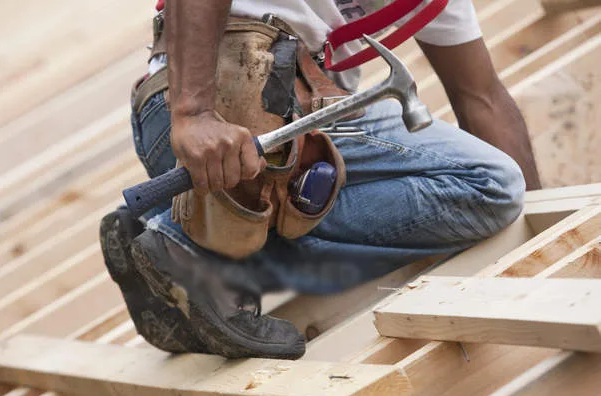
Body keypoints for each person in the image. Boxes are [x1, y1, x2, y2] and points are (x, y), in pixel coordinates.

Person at [100, 0, 532, 360]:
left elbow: (482, 96)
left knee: (459, 187)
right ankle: (199, 246)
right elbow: (483, 98)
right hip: (223, 106)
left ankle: (187, 232)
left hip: (168, 129)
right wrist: (193, 114)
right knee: (491, 184)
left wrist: (542, 238)